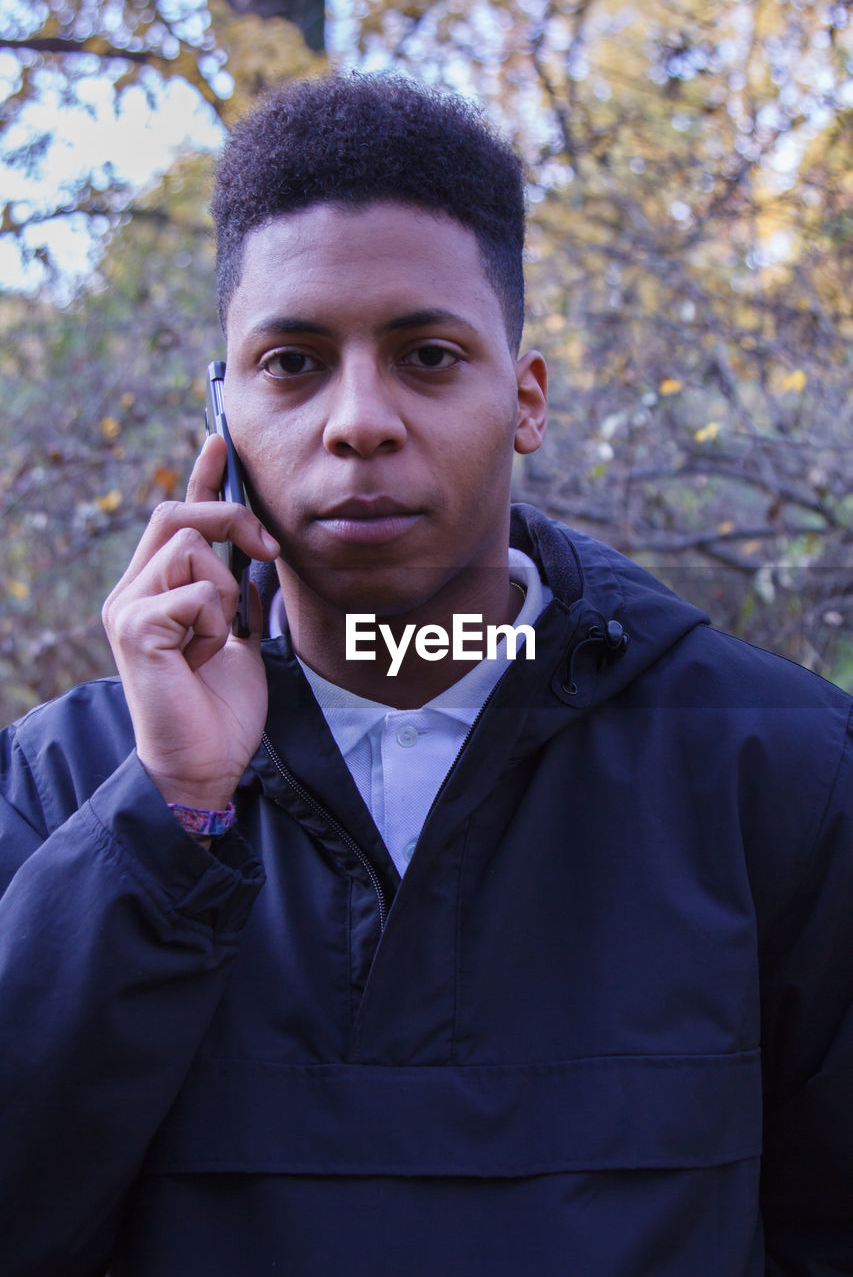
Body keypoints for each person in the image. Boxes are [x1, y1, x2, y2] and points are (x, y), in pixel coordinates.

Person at [0, 72, 851, 1277]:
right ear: (221, 412)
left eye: (428, 354)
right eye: (292, 362)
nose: (359, 421)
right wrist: (171, 810)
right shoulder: (65, 787)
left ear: (524, 398)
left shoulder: (782, 771)